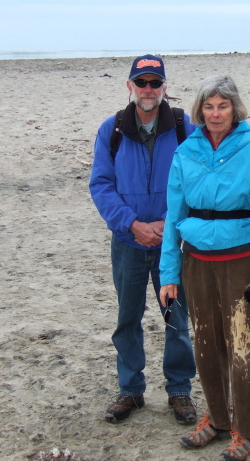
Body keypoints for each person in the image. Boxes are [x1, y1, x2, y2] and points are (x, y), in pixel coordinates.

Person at [159, 75, 250, 461]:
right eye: (209, 106)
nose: (216, 114)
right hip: (197, 264)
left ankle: (246, 430)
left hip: (241, 263)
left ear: (235, 109)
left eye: (223, 106)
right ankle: (217, 418)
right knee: (206, 345)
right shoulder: (186, 152)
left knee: (243, 349)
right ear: (200, 110)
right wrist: (169, 274)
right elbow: (173, 214)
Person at [89, 54, 198, 426]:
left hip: (173, 244)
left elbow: (198, 181)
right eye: (142, 82)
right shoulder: (113, 129)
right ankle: (131, 389)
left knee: (177, 317)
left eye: (155, 83)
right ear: (130, 87)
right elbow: (101, 185)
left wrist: (171, 224)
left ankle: (179, 390)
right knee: (127, 319)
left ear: (165, 87)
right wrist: (131, 224)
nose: (148, 90)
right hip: (128, 243)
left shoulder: (185, 127)